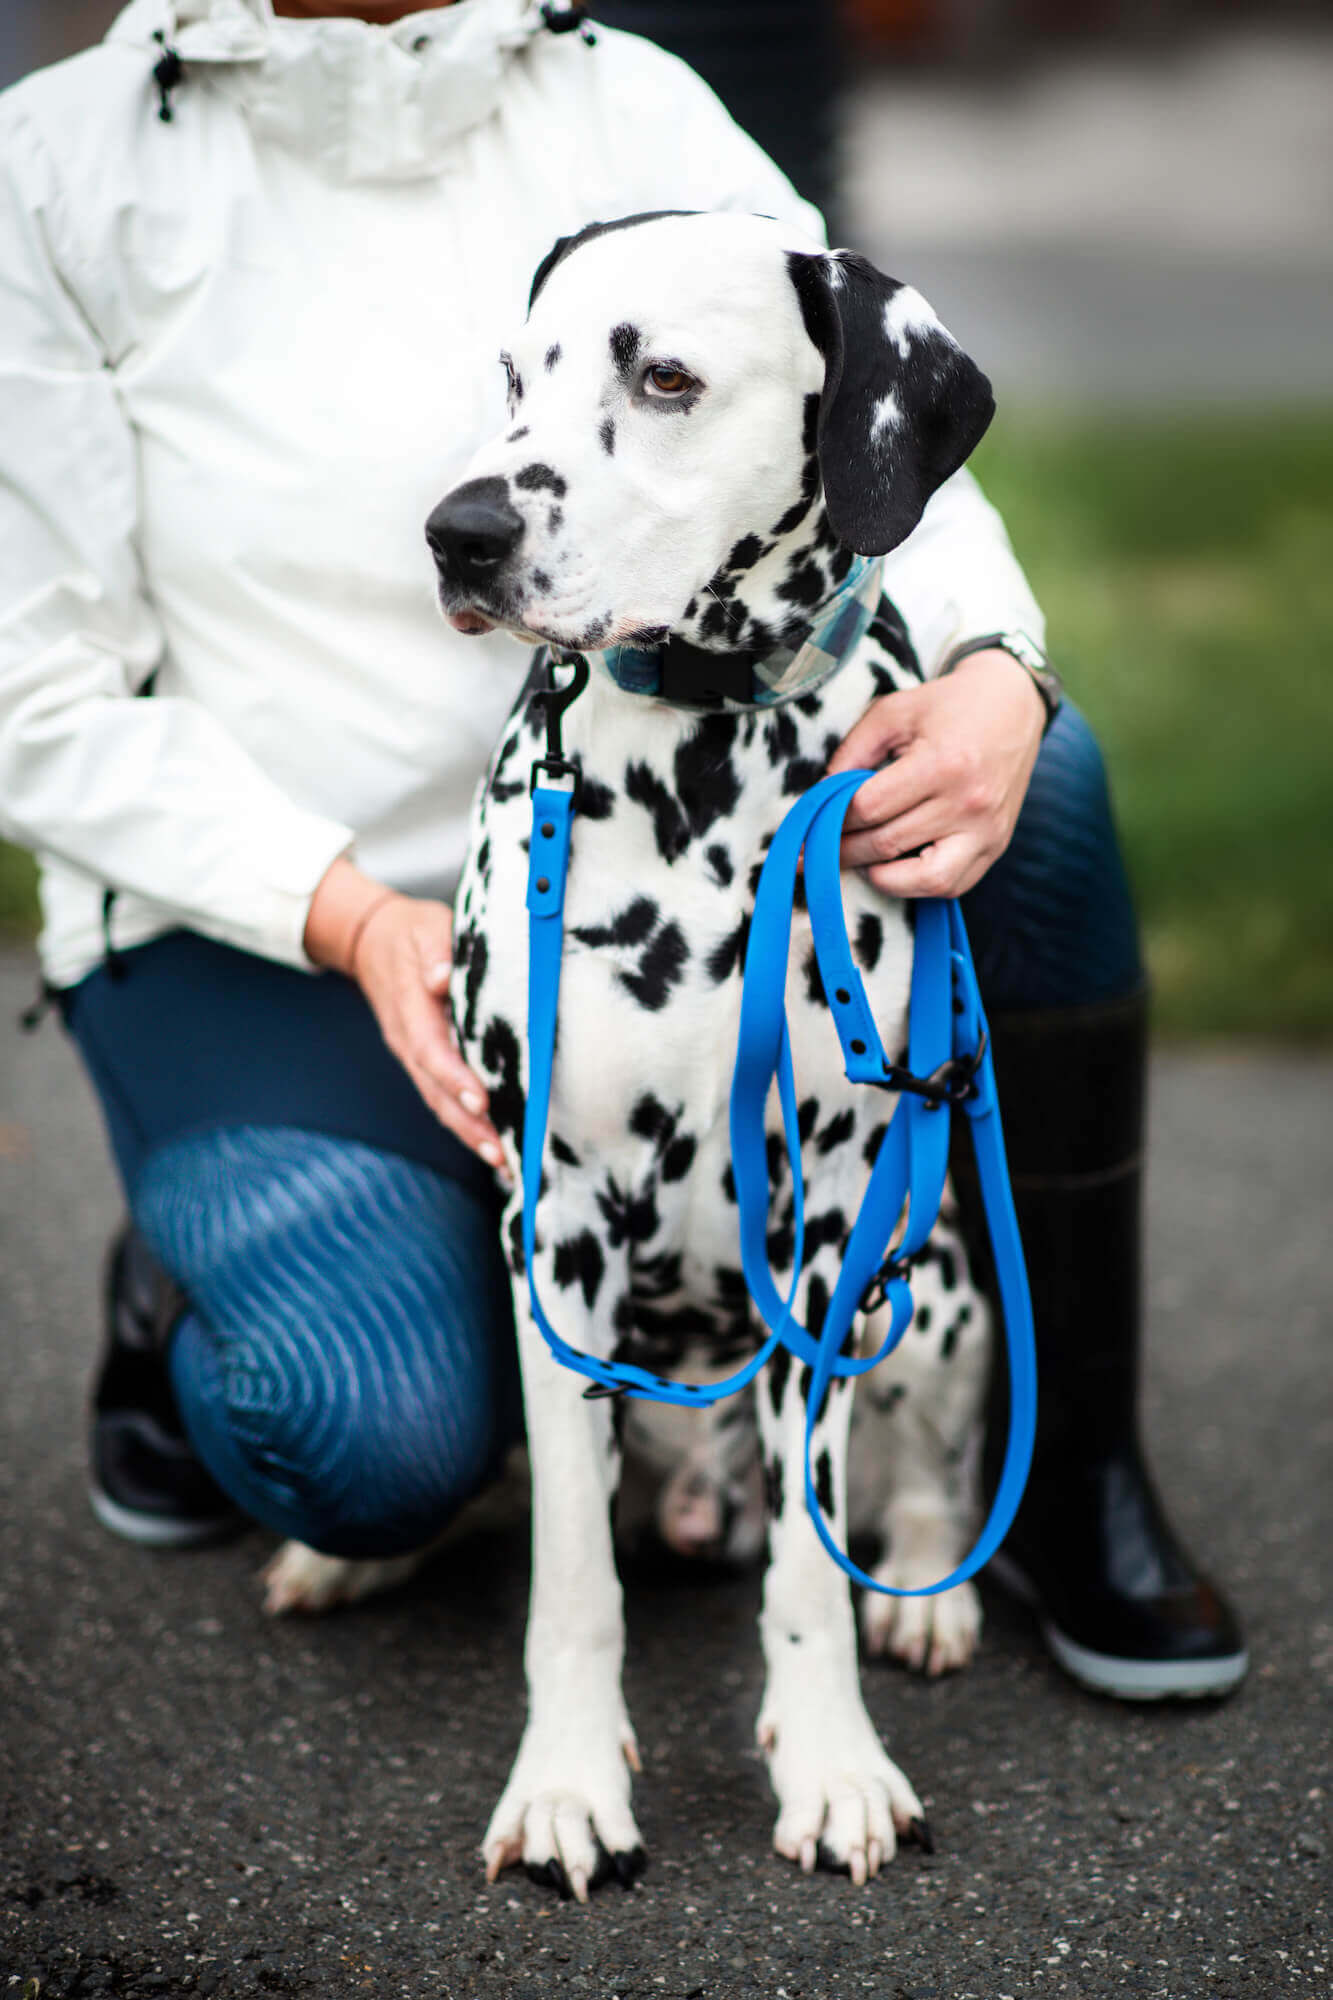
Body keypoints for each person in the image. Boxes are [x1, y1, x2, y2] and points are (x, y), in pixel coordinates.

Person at [0, 0, 1245, 1698]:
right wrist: (352, 916)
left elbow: (863, 427)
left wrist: (994, 673)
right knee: (365, 1438)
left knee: (1035, 788)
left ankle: (1068, 1454)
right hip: (279, 914)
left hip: (640, 824)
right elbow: (31, 695)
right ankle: (188, 1283)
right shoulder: (57, 166)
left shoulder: (618, 95)